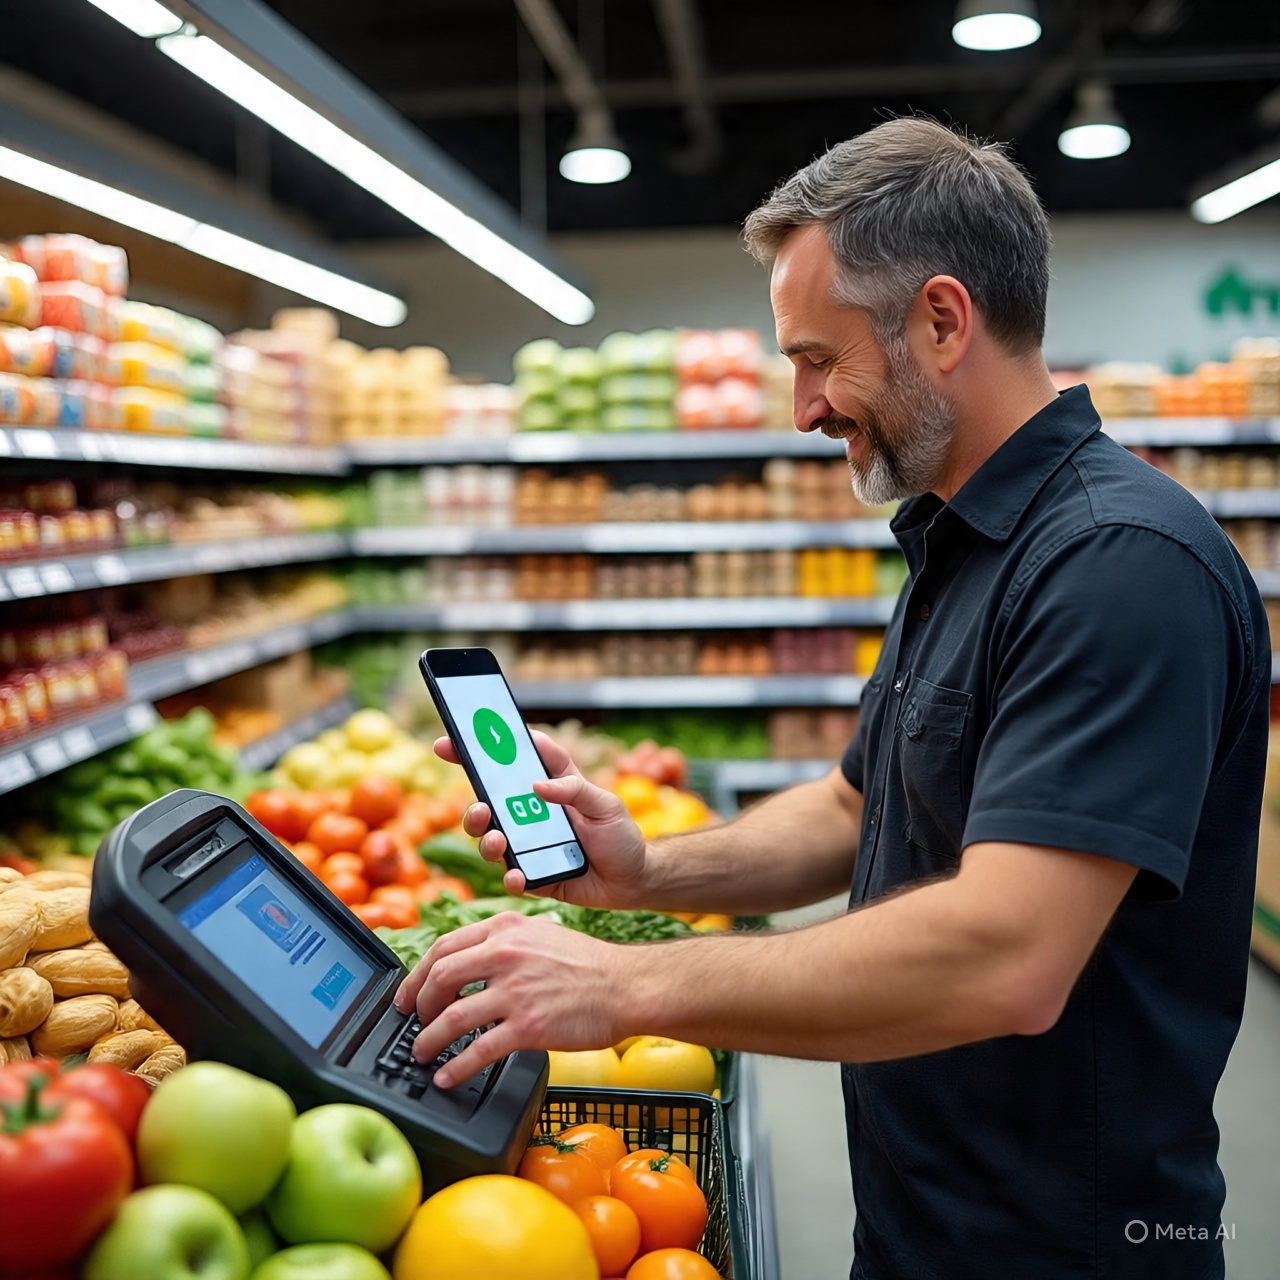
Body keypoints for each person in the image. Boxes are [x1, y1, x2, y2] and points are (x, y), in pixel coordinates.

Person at [397, 117, 1269, 1279]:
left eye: (819, 356)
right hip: (924, 1215)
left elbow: (1004, 954)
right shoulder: (962, 540)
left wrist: (626, 982)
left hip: (1062, 1244)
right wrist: (650, 871)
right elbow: (858, 808)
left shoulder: (1116, 566)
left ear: (942, 320)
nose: (803, 407)